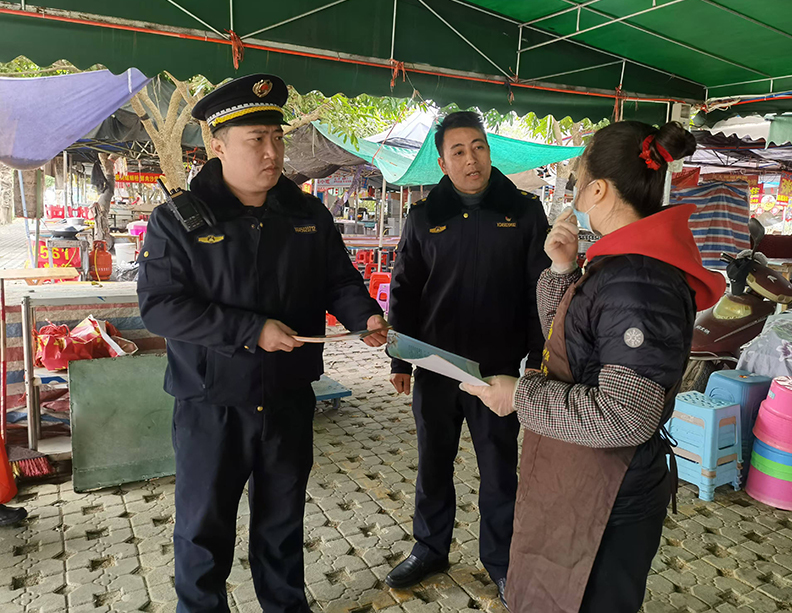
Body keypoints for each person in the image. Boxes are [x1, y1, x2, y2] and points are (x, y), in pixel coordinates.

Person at [137, 73, 389, 613]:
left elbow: (338, 281)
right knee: (203, 530)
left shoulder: (307, 215)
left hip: (288, 398)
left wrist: (364, 314)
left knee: (282, 523)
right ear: (219, 146)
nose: (272, 153)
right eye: (256, 140)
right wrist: (251, 331)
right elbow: (161, 307)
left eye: (277, 138)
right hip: (212, 405)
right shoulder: (179, 220)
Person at [464, 120, 726, 613]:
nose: (573, 193)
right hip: (582, 473)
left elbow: (624, 416)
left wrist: (518, 395)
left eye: (576, 181)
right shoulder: (621, 264)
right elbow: (570, 342)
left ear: (598, 190)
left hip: (609, 490)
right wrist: (563, 268)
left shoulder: (640, 282)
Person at [386, 111, 549, 602]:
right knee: (433, 463)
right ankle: (429, 548)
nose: (470, 159)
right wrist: (400, 360)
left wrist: (537, 362)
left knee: (498, 470)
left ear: (489, 152)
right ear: (442, 162)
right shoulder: (424, 215)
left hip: (498, 371)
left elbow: (541, 292)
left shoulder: (523, 211)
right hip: (436, 365)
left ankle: (500, 561)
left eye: (478, 147)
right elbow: (405, 289)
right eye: (457, 151)